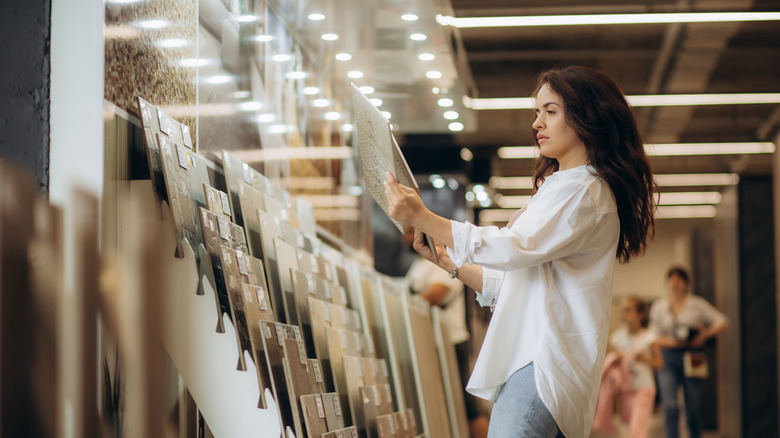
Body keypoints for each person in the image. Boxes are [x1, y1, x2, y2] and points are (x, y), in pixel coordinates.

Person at [383, 65, 656, 438]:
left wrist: (426, 218)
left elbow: (514, 248)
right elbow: (513, 279)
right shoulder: (567, 186)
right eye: (536, 112)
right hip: (536, 368)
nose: (537, 122)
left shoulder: (583, 189)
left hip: (541, 368)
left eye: (551, 111)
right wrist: (451, 264)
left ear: (586, 118)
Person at [649, 266, 728, 438]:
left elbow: (722, 321)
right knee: (670, 406)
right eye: (671, 279)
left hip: (693, 355)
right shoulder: (659, 306)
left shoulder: (696, 304)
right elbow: (653, 336)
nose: (675, 283)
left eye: (679, 279)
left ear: (686, 283)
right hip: (668, 357)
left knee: (693, 406)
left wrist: (704, 334)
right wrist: (673, 342)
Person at [592, 296, 663, 438]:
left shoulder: (649, 337)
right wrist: (615, 359)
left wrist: (646, 360)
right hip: (625, 389)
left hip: (643, 389)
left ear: (640, 314)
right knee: (630, 428)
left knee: (637, 431)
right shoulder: (617, 337)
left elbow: (659, 363)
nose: (623, 314)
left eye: (628, 310)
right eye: (623, 310)